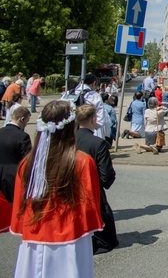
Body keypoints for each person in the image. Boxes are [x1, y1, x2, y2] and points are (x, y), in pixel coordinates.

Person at [11, 100, 103, 277]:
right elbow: (90, 204)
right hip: (71, 238)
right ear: (71, 128)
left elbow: (20, 203)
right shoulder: (82, 162)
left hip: (35, 235)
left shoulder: (27, 163)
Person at [75, 104, 119, 253]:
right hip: (91, 188)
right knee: (101, 220)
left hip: (70, 187)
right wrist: (104, 183)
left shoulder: (67, 140)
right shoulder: (98, 143)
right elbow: (106, 173)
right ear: (93, 119)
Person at [0, 106, 32, 204]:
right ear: (22, 119)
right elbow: (28, 160)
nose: (25, 125)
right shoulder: (23, 136)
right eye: (26, 122)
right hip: (14, 176)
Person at [75, 74, 111, 141]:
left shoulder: (69, 93)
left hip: (72, 132)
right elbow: (101, 119)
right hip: (91, 131)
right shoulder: (94, 95)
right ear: (94, 83)